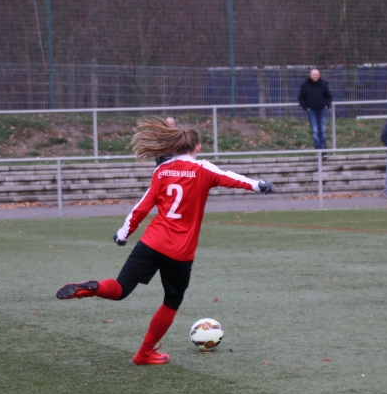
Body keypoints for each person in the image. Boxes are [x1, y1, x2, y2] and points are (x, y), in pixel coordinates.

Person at [56, 117, 276, 365]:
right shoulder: (203, 169)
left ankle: (92, 288)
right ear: (198, 147)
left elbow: (142, 207)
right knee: (172, 301)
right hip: (180, 252)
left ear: (174, 146)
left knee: (121, 288)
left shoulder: (161, 171)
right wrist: (259, 185)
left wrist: (123, 233)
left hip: (151, 242)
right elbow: (232, 178)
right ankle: (144, 353)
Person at [298, 68, 332, 150]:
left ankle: (323, 151)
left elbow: (329, 96)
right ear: (310, 75)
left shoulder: (324, 84)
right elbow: (301, 98)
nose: (315, 76)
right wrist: (306, 108)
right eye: (314, 75)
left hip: (322, 110)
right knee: (315, 131)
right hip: (311, 111)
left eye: (317, 75)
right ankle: (319, 149)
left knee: (323, 131)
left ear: (319, 75)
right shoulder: (305, 85)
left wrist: (327, 105)